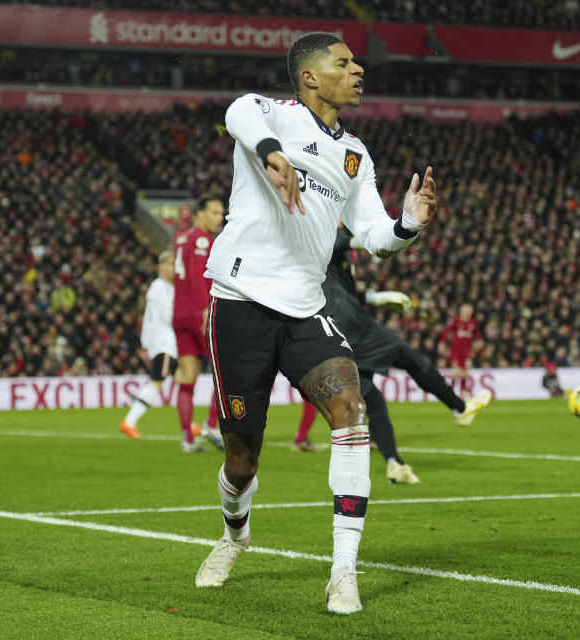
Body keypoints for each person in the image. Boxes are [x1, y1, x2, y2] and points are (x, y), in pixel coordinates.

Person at [194, 32, 437, 615]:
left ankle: (343, 572)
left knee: (349, 410)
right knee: (241, 457)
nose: (358, 70)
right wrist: (274, 153)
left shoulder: (355, 154)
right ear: (310, 76)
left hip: (307, 306)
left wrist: (407, 224)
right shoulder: (270, 115)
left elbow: (374, 236)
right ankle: (234, 535)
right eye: (344, 62)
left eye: (356, 62)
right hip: (241, 297)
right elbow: (236, 112)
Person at [290, 226, 492, 485]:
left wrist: (378, 298)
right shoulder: (325, 234)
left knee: (373, 401)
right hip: (354, 327)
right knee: (408, 356)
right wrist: (389, 236)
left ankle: (394, 463)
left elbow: (345, 293)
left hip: (334, 333)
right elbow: (345, 241)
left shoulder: (323, 256)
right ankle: (460, 407)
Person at [120, 250, 205, 449]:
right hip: (165, 344)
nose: (172, 267)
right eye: (168, 263)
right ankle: (129, 422)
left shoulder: (169, 287)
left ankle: (188, 424)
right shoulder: (159, 287)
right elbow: (168, 316)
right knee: (157, 382)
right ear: (160, 267)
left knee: (182, 380)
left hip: (170, 344)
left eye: (173, 263)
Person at [172, 197, 227, 451]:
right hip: (198, 312)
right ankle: (211, 425)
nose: (219, 217)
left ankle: (186, 439)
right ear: (201, 213)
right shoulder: (203, 239)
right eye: (214, 212)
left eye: (221, 213)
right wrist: (205, 308)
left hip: (179, 313)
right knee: (225, 368)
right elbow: (196, 276)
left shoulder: (181, 239)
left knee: (187, 376)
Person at [438, 303, 483, 391]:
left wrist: (479, 341)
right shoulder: (455, 320)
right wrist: (442, 343)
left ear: (471, 312)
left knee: (465, 373)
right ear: (461, 311)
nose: (466, 312)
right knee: (455, 372)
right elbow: (446, 331)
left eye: (468, 310)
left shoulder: (473, 322)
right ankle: (451, 391)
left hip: (467, 352)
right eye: (465, 310)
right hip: (456, 351)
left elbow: (477, 335)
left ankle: (463, 392)